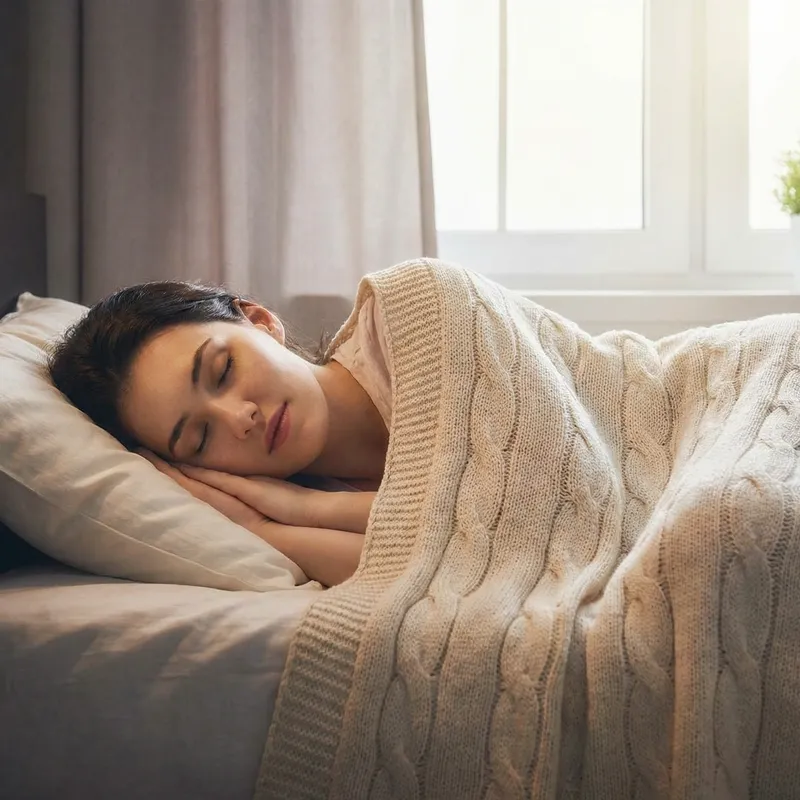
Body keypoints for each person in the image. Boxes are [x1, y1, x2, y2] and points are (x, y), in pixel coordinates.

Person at [48, 281, 391, 587]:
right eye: (200, 438)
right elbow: (423, 572)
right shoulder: (300, 509)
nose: (240, 418)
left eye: (223, 370)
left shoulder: (407, 320)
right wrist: (267, 527)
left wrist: (306, 508)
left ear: (260, 321)